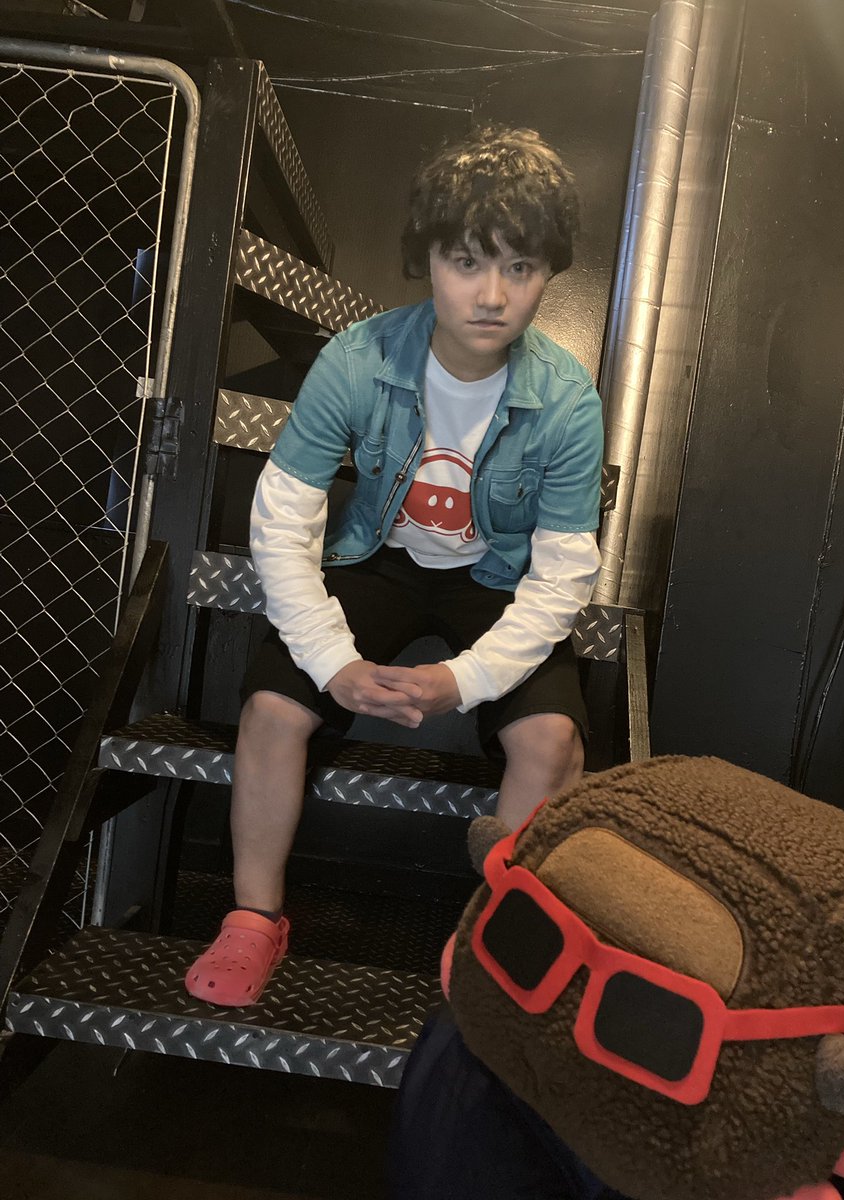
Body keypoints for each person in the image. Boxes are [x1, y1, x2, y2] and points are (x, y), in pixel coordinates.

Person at [184, 125, 604, 1007]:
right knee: (270, 707)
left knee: (553, 740)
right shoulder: (357, 358)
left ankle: (495, 949)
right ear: (428, 261)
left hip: (499, 578)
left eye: (520, 268)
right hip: (380, 558)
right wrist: (331, 662)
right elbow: (284, 518)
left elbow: (563, 574)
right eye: (466, 262)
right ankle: (254, 918)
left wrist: (468, 680)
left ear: (548, 274)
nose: (492, 294)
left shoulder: (568, 399)